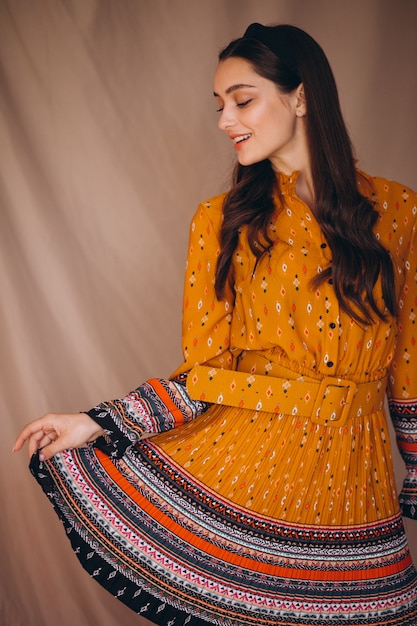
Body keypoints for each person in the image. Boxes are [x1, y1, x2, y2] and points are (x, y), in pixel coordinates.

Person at [14, 22, 417, 626]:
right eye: (220, 104)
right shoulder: (221, 222)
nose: (225, 119)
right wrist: (99, 423)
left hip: (357, 477)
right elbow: (205, 373)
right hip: (252, 471)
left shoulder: (398, 211)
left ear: (302, 97)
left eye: (243, 99)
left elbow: (409, 362)